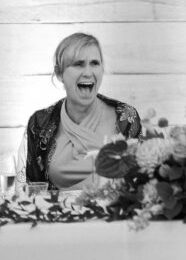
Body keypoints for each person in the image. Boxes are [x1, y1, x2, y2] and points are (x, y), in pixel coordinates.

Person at [17, 32, 142, 190]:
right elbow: (31, 190)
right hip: (57, 213)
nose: (88, 73)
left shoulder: (126, 118)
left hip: (112, 213)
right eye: (78, 64)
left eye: (95, 63)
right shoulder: (40, 122)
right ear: (59, 73)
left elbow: (140, 183)